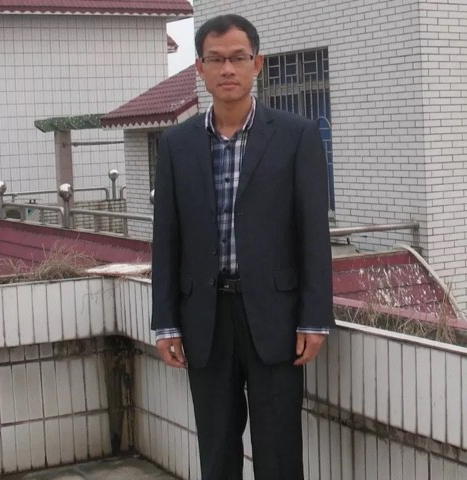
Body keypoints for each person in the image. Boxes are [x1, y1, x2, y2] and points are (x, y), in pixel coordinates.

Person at [152, 14, 334, 480]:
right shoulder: (176, 145)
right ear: (200, 67)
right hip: (205, 320)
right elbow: (167, 238)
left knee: (279, 453)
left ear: (258, 63)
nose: (228, 69)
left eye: (238, 57)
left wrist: (314, 318)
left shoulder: (296, 136)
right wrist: (166, 322)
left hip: (275, 318)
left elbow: (312, 233)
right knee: (216, 452)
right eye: (216, 59)